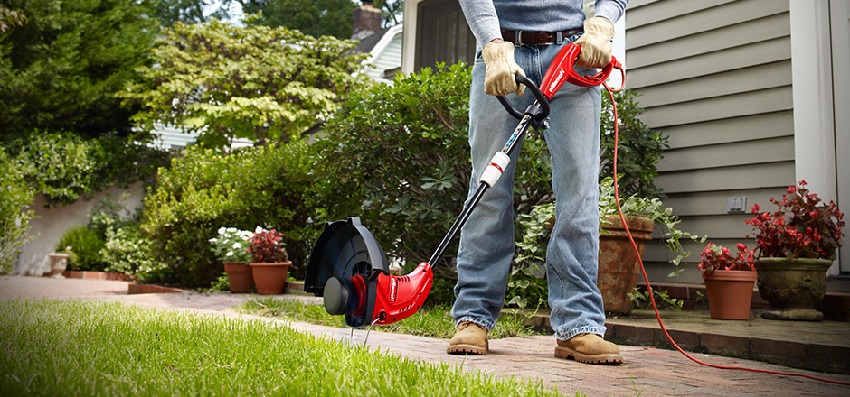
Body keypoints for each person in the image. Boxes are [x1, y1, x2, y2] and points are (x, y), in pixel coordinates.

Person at [448, 0, 628, 365]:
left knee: (579, 195)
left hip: (572, 55)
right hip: (501, 53)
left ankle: (578, 324)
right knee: (487, 190)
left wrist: (603, 22)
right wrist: (491, 43)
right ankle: (473, 316)